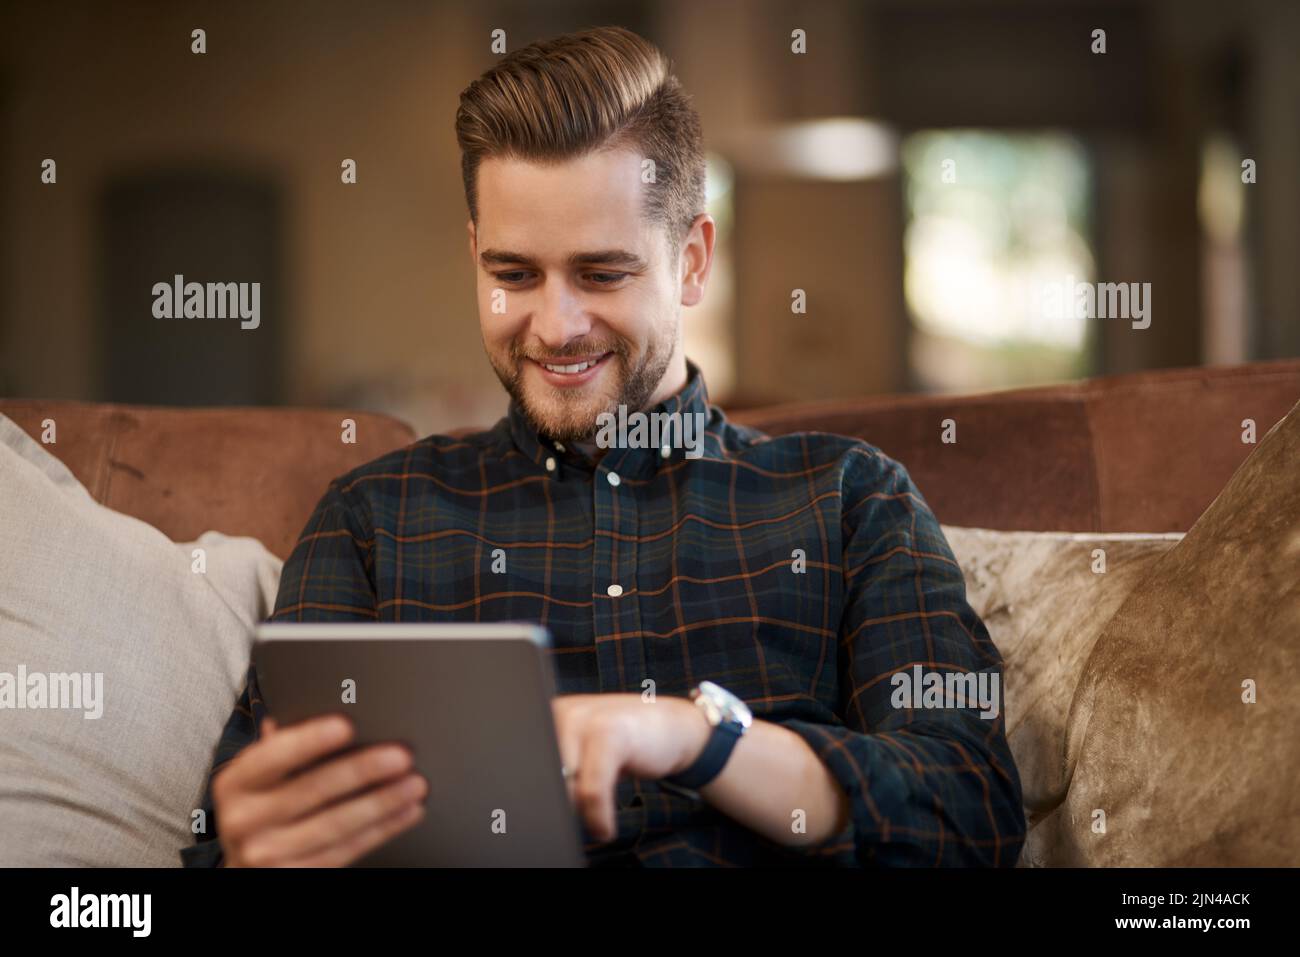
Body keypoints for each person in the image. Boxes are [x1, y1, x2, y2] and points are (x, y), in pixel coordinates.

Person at [182, 25, 1025, 868]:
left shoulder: (848, 500)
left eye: (602, 274)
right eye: (514, 275)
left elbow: (968, 808)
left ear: (691, 262)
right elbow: (225, 849)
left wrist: (692, 735)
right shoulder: (374, 523)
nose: (556, 327)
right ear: (475, 256)